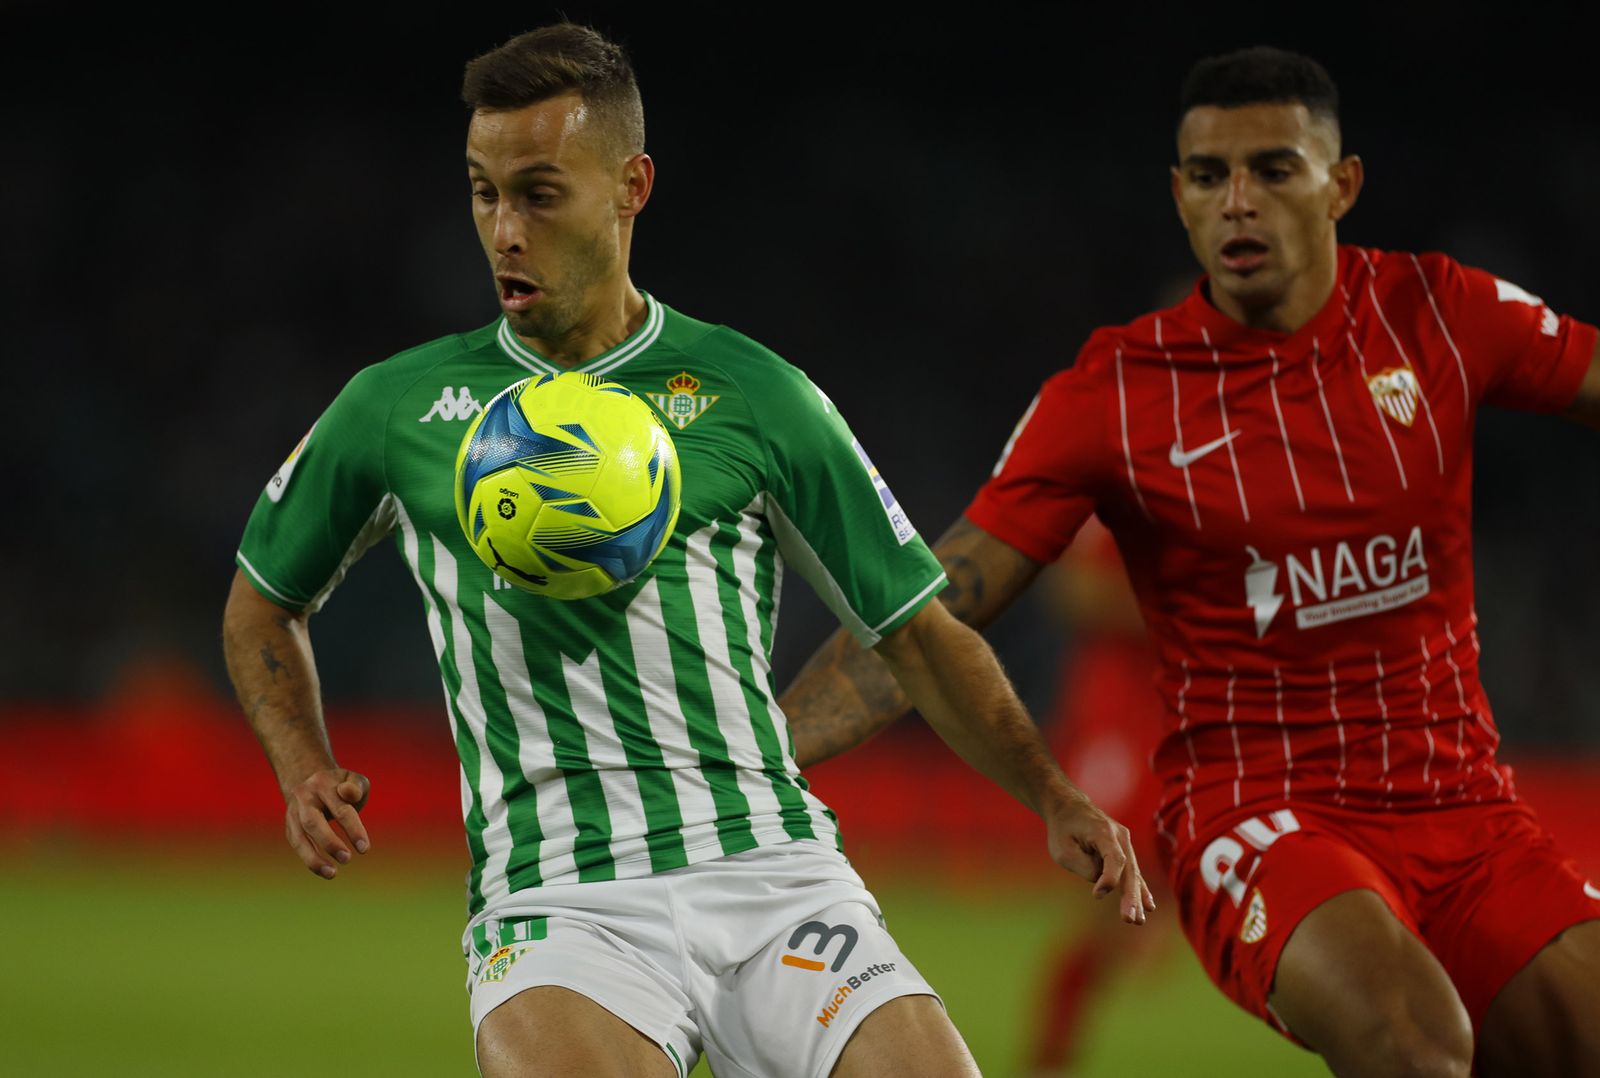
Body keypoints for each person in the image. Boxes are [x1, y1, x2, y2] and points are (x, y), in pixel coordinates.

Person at [220, 23, 1152, 1078]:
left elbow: (919, 635)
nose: (503, 232)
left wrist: (1052, 794)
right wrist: (301, 768)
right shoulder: (398, 408)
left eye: (537, 192)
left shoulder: (753, 394)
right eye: (482, 193)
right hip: (558, 897)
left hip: (776, 874)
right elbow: (262, 600)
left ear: (631, 186)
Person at [782, 46, 1600, 1077]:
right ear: (1178, 196)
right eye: (1209, 177)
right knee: (1413, 1041)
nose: (1237, 202)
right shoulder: (1116, 392)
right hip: (1263, 815)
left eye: (1273, 169)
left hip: (1468, 809)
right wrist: (766, 744)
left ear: (1341, 184)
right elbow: (937, 598)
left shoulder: (1439, 313)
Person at [1021, 517, 1173, 1076]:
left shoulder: (1218, 494)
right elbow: (1075, 590)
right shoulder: (1118, 504)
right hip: (1118, 722)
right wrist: (1183, 613)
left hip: (1182, 714)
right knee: (1106, 889)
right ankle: (1049, 1061)